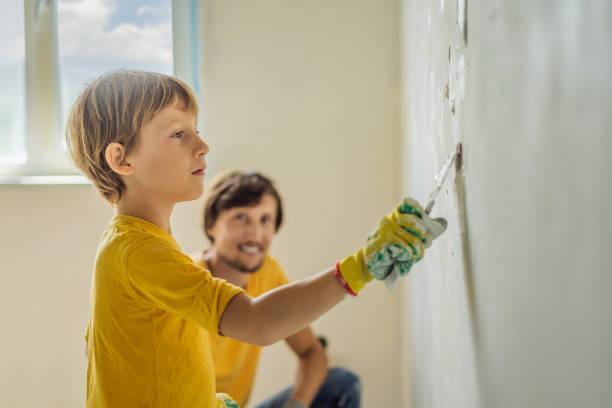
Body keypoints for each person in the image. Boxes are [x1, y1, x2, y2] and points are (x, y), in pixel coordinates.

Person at [66, 70, 444, 408]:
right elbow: (257, 322)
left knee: (339, 385)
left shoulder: (139, 245)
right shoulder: (138, 250)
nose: (202, 146)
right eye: (179, 133)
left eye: (196, 130)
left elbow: (138, 363)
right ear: (121, 160)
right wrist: (364, 265)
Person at [193, 171, 360, 408]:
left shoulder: (268, 273)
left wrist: (296, 404)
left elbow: (312, 353)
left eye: (265, 220)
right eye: (241, 217)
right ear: (211, 225)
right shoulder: (187, 280)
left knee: (342, 384)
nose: (255, 234)